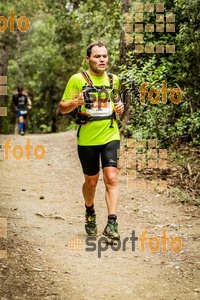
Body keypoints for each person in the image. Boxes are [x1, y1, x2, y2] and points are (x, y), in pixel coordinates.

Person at [60, 41, 124, 240]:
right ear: (88, 59)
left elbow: (116, 102)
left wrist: (119, 108)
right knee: (91, 181)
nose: (102, 59)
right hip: (87, 138)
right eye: (97, 56)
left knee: (111, 177)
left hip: (110, 134)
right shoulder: (77, 80)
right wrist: (75, 102)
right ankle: (90, 212)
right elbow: (63, 108)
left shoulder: (114, 79)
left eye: (104, 56)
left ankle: (112, 223)